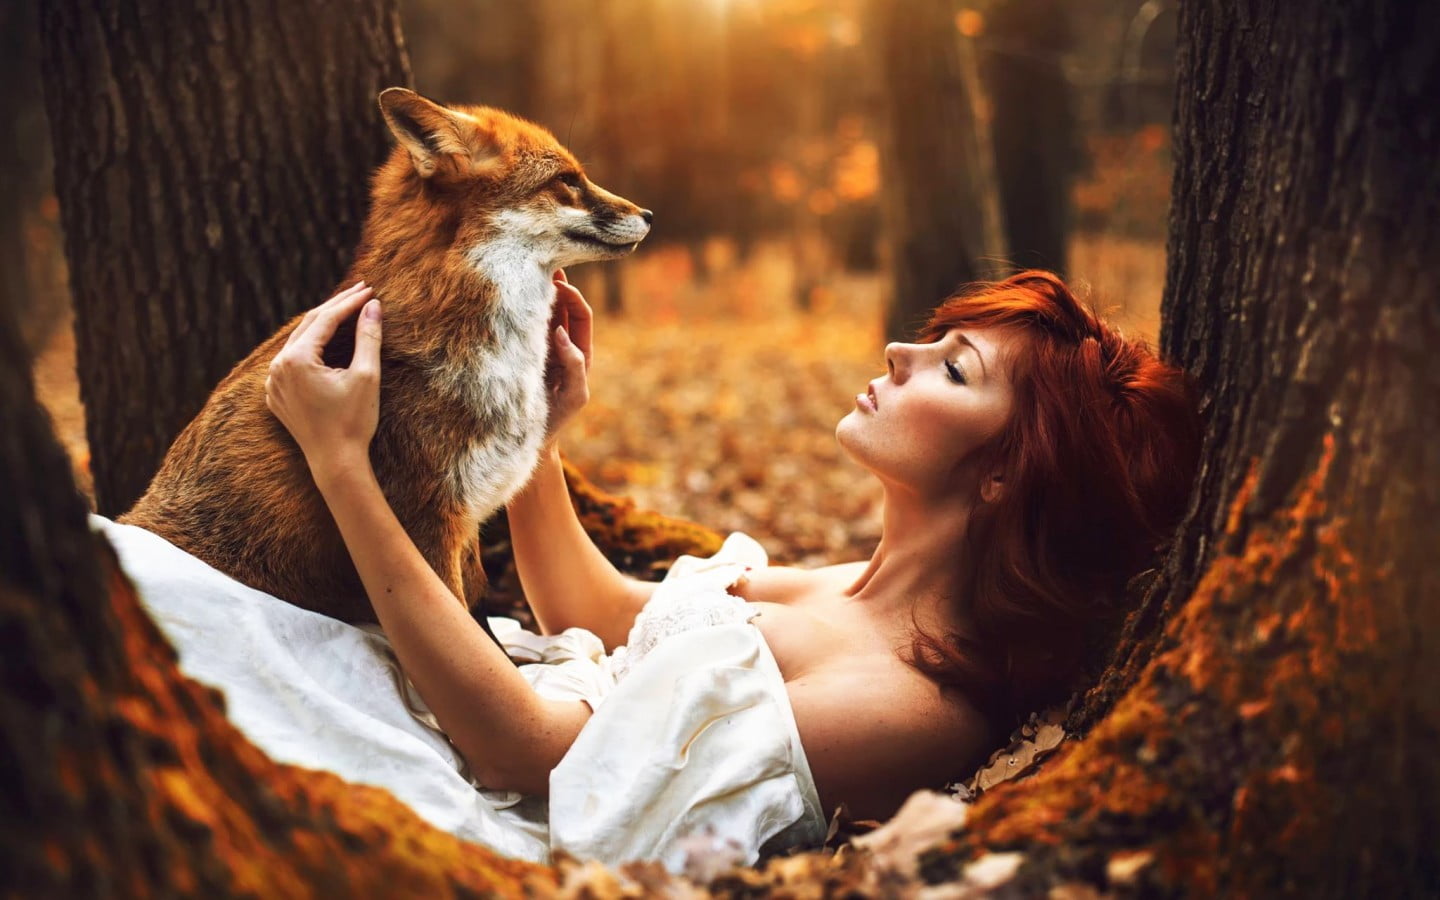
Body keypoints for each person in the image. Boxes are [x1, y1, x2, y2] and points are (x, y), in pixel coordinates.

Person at [260, 267, 1202, 830]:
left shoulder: (911, 703)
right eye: (931, 341)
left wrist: (342, 463)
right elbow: (600, 618)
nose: (895, 354)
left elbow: (529, 757)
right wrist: (539, 437)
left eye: (953, 368)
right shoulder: (859, 591)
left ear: (1006, 472)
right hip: (469, 731)